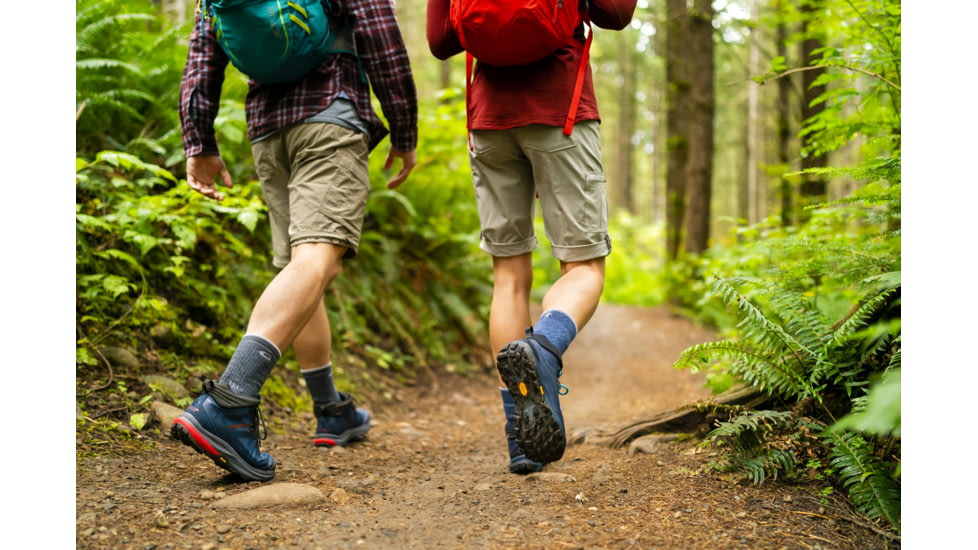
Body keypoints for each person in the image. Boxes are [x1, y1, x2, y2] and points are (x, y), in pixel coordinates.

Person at [171, 0, 419, 482]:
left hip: (268, 129)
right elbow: (382, 37)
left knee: (302, 266)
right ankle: (231, 399)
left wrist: (199, 142)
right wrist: (404, 130)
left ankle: (330, 410)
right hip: (331, 113)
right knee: (316, 259)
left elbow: (203, 55)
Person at [426, 0, 636, 473]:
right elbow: (617, 13)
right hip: (559, 109)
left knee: (508, 276)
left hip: (489, 121)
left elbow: (440, 43)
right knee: (583, 266)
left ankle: (520, 440)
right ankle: (544, 346)